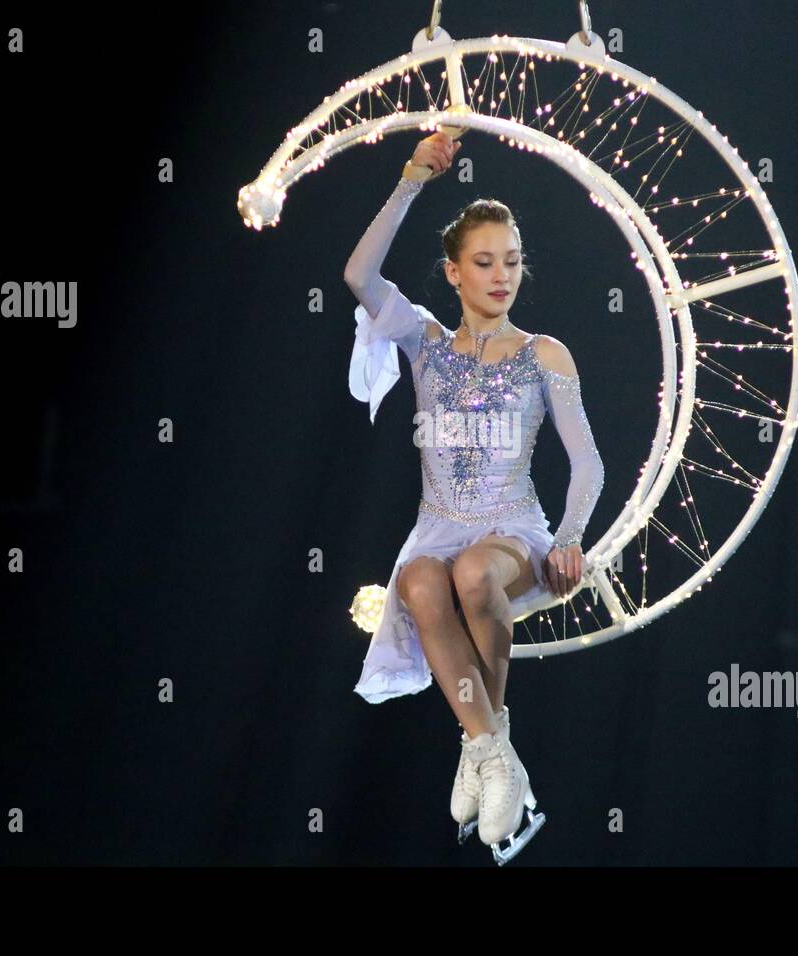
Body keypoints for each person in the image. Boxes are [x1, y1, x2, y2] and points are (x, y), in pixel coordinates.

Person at [343, 130, 604, 863]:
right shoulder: (425, 343)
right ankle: (489, 748)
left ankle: (487, 749)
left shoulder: (542, 353)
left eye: (512, 262)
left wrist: (572, 537)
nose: (501, 276)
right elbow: (360, 275)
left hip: (511, 532)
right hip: (436, 527)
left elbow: (588, 463)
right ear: (453, 273)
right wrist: (411, 180)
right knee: (422, 578)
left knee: (469, 574)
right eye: (484, 263)